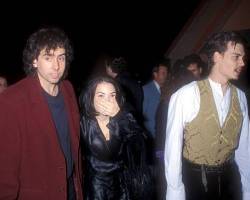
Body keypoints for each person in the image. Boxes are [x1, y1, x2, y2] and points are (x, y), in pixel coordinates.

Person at [164, 31, 250, 200]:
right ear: (217, 56)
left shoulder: (240, 96)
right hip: (195, 181)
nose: (242, 62)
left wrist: (247, 189)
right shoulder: (186, 94)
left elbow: (244, 148)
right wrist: (175, 193)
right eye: (236, 57)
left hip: (230, 180)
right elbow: (172, 152)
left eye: (243, 57)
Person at [0, 27, 83, 200]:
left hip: (70, 189)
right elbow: (5, 169)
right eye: (48, 57)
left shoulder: (68, 89)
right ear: (34, 61)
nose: (57, 65)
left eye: (61, 57)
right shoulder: (11, 100)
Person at [79, 76, 148, 200]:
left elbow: (140, 145)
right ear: (91, 98)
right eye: (101, 95)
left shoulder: (124, 117)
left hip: (122, 186)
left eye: (112, 95)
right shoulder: (82, 122)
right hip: (95, 187)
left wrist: (119, 116)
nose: (108, 100)